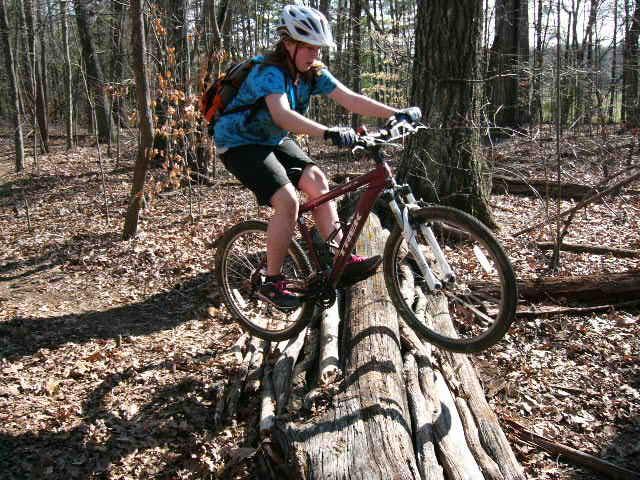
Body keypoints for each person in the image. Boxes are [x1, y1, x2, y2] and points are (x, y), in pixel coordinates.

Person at [214, 4, 421, 310]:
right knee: (287, 201)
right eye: (309, 48)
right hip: (238, 143)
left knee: (316, 180)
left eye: (318, 49)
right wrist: (328, 132)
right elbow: (282, 115)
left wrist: (397, 112)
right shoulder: (268, 72)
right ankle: (272, 282)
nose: (315, 55)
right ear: (288, 44)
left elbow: (349, 98)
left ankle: (341, 256)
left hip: (271, 138)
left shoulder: (313, 73)